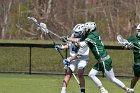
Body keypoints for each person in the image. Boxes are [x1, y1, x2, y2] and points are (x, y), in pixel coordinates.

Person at [64, 22, 134, 93]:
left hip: (104, 60)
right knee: (91, 75)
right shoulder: (93, 34)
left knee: (112, 79)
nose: (85, 30)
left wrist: (73, 45)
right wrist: (68, 38)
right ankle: (102, 89)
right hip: (101, 60)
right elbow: (79, 40)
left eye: (86, 29)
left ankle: (127, 89)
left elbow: (80, 43)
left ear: (90, 29)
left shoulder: (91, 37)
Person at [55, 24, 89, 93]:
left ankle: (82, 91)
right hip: (73, 58)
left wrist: (68, 60)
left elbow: (78, 52)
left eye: (77, 32)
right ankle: (63, 90)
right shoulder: (73, 35)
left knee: (80, 74)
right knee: (69, 73)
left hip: (82, 58)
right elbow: (70, 44)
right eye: (75, 32)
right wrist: (61, 47)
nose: (75, 33)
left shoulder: (86, 39)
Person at [124, 23, 140, 93]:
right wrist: (128, 46)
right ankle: (131, 89)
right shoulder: (133, 38)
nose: (138, 31)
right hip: (138, 62)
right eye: (138, 30)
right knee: (136, 77)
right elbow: (124, 47)